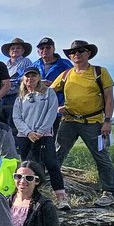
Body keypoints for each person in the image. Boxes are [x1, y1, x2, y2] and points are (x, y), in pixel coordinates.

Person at [52, 40, 114, 206]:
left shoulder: (99, 72)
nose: (76, 54)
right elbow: (49, 93)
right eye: (73, 52)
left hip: (93, 122)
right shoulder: (66, 75)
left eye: (81, 51)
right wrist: (57, 107)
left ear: (88, 53)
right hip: (69, 121)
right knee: (56, 155)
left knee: (101, 157)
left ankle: (109, 193)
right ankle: (51, 188)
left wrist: (107, 121)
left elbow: (109, 98)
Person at [12, 67, 68, 208]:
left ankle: (61, 198)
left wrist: (40, 131)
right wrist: (28, 132)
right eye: (27, 76)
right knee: (28, 167)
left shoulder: (48, 93)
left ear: (39, 78)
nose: (30, 79)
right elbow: (16, 118)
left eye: (33, 75)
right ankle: (30, 199)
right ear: (23, 79)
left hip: (44, 135)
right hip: (25, 137)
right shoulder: (20, 98)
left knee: (52, 164)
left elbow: (51, 113)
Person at [32, 38, 74, 134]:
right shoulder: (34, 66)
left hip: (59, 108)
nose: (44, 50)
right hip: (39, 109)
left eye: (48, 47)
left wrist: (53, 85)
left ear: (53, 49)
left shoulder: (65, 64)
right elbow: (25, 83)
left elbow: (73, 83)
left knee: (58, 137)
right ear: (38, 51)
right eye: (42, 48)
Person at [0, 38, 34, 127]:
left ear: (23, 51)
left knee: (14, 123)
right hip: (3, 96)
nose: (15, 50)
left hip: (17, 96)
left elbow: (27, 77)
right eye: (12, 48)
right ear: (9, 52)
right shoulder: (4, 65)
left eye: (18, 48)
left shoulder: (26, 62)